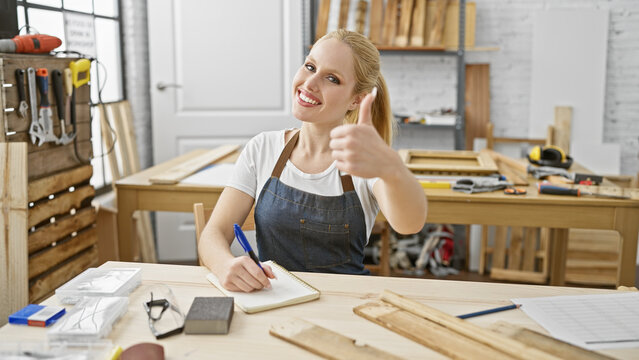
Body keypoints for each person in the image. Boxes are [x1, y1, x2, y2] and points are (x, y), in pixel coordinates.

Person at [198, 29, 427, 292]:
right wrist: (224, 264)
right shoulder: (263, 148)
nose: (310, 83)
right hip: (274, 301)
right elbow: (213, 234)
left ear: (357, 99)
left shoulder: (362, 160)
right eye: (310, 66)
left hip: (346, 303)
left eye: (332, 78)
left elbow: (409, 224)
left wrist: (393, 170)